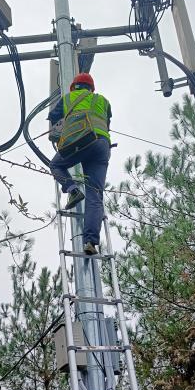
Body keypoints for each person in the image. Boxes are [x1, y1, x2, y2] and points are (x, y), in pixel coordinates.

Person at [48, 73, 112, 255]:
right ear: (91, 88)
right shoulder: (103, 101)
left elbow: (53, 116)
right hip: (102, 146)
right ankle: (91, 241)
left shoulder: (68, 98)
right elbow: (107, 121)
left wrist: (61, 127)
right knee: (95, 195)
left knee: (55, 165)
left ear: (74, 87)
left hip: (80, 140)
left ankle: (73, 189)